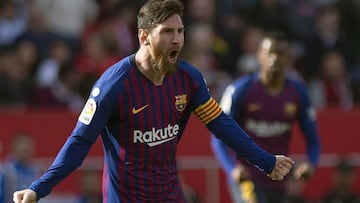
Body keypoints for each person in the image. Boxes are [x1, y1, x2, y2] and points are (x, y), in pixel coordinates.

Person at [13, 1, 294, 202]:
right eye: (168, 32)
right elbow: (79, 142)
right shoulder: (113, 85)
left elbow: (221, 123)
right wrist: (38, 189)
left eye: (180, 32)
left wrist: (265, 161)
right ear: (144, 36)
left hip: (169, 194)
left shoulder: (189, 78)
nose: (177, 40)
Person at [211, 32, 321, 203]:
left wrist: (311, 163)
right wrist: (232, 168)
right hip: (248, 178)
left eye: (281, 53)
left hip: (279, 179)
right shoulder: (240, 90)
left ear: (289, 58)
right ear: (259, 55)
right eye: (270, 52)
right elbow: (218, 136)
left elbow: (313, 139)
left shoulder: (298, 92)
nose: (275, 58)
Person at [0, 133, 38, 203]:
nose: (25, 147)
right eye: (21, 144)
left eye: (28, 144)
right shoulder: (5, 170)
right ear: (13, 147)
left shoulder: (36, 169)